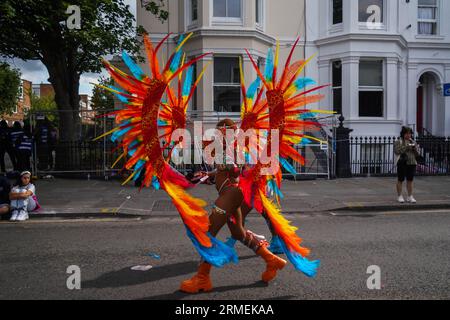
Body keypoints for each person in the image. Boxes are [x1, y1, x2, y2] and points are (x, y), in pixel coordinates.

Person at [180, 119, 287, 294]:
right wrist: (208, 174)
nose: (217, 135)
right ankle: (271, 260)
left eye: (221, 132)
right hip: (229, 195)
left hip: (230, 196)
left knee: (208, 233)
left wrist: (230, 163)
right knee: (239, 233)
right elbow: (224, 170)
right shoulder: (225, 149)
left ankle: (202, 278)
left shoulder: (233, 149)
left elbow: (238, 171)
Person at [394, 127, 419, 204]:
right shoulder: (399, 141)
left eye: (410, 133)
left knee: (410, 180)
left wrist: (415, 149)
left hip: (412, 163)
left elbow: (417, 154)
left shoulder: (413, 141)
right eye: (407, 133)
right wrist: (407, 147)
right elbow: (397, 151)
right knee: (400, 179)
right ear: (403, 134)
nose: (408, 135)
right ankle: (399, 196)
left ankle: (410, 196)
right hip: (402, 163)